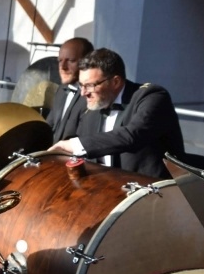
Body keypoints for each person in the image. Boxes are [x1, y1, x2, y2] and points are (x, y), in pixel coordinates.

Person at [49, 48, 185, 179]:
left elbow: (132, 136)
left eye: (90, 85)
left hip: (153, 191)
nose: (84, 93)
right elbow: (83, 141)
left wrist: (74, 145)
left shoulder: (152, 96)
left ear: (115, 82)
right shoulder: (94, 104)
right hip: (107, 188)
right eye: (81, 85)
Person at [45, 37, 94, 142]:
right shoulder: (61, 90)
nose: (63, 67)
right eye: (60, 61)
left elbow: (84, 140)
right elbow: (48, 127)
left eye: (71, 61)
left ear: (87, 62)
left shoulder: (92, 96)